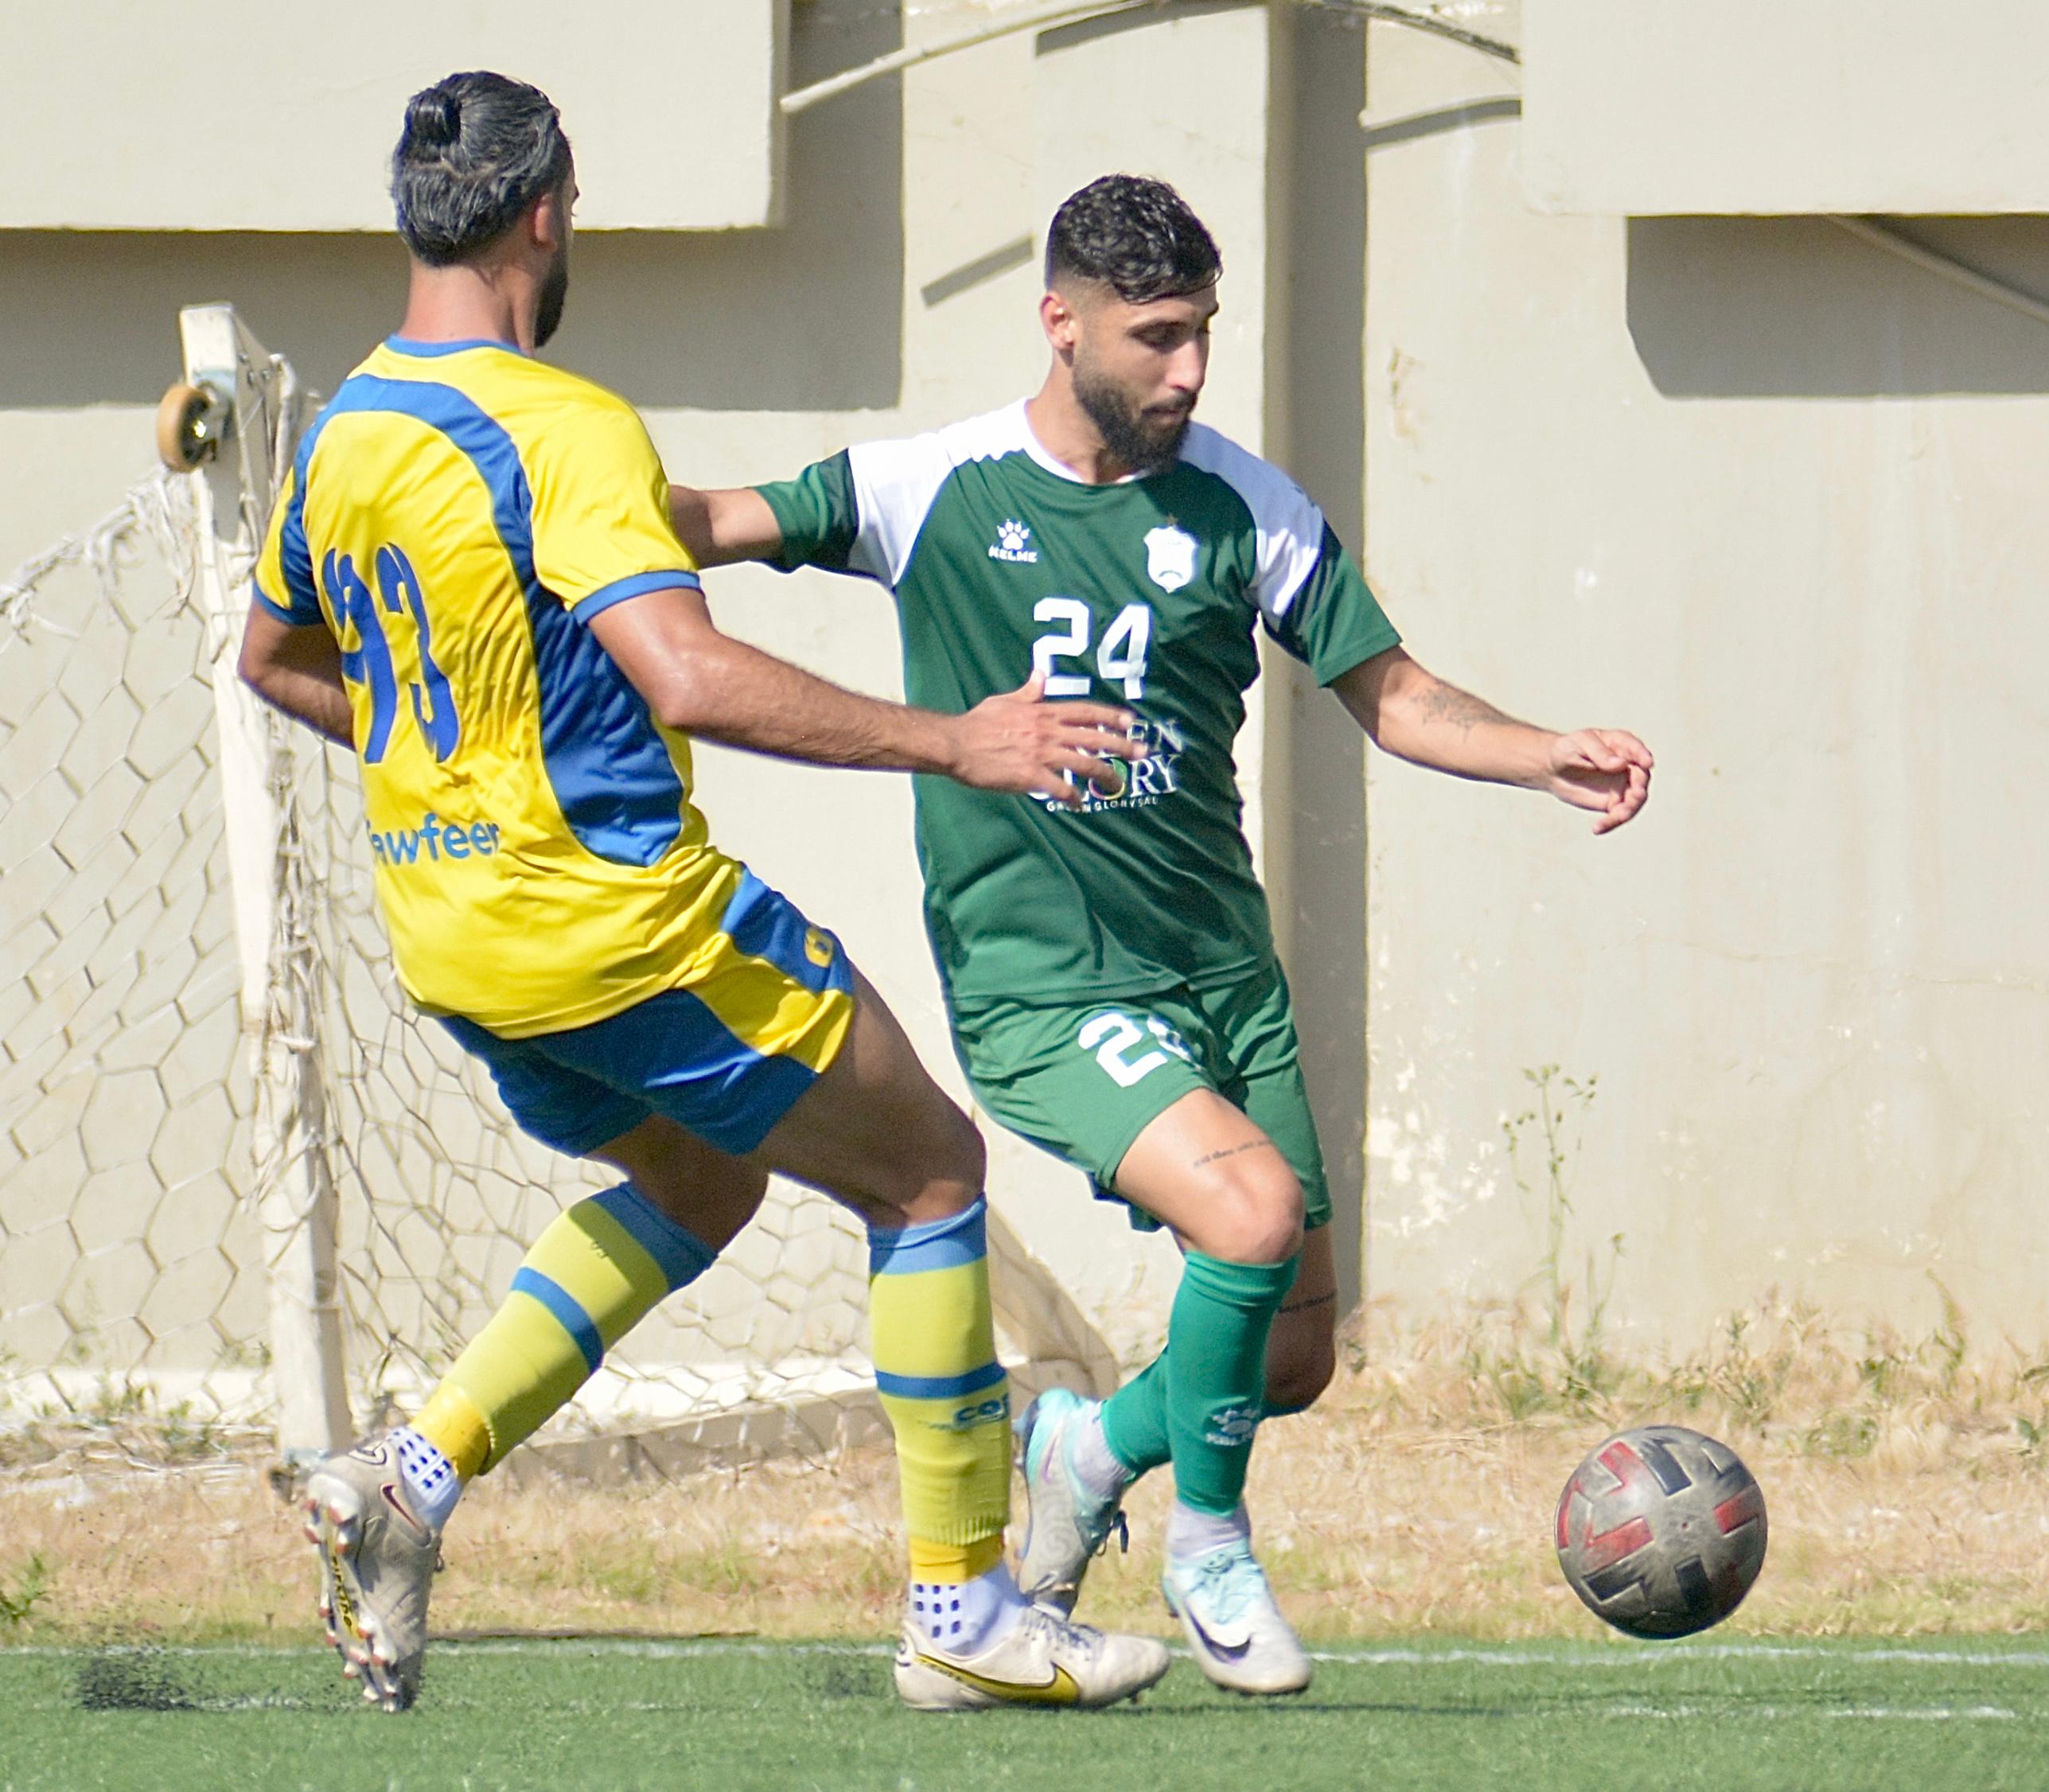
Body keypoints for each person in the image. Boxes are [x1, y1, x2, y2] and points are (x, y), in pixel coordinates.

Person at [237, 74, 1170, 1716]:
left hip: (456, 940)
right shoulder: (563, 423)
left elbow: (272, 656)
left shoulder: (345, 434)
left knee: (701, 1177)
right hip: (621, 928)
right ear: (546, 213)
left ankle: (407, 1480)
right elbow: (686, 674)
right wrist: (958, 739)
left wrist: (454, 770)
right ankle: (962, 1610)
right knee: (929, 1174)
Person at [664, 173, 1654, 1696]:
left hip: (1224, 982)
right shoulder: (931, 489)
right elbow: (708, 523)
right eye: (1157, 338)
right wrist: (533, 483)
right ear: (1060, 325)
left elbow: (1392, 693)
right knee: (1249, 1221)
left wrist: (1543, 753)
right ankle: (1207, 1543)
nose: (1189, 369)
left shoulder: (1246, 507)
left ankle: (1082, 1454)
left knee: (1290, 1355)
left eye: (1202, 333)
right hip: (1049, 990)